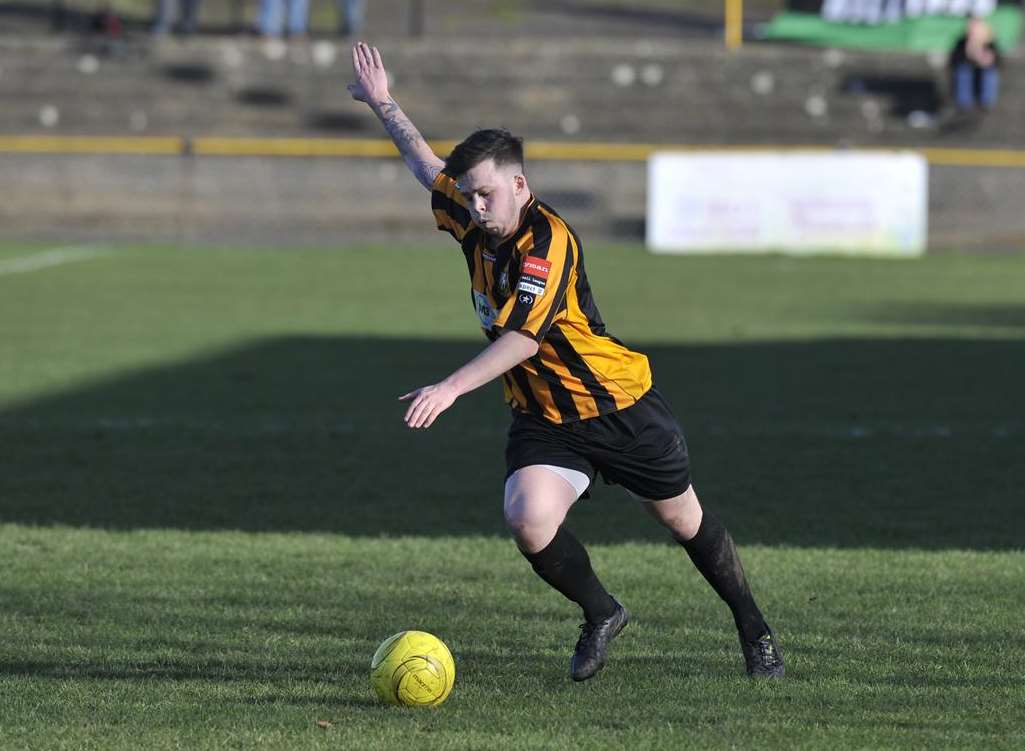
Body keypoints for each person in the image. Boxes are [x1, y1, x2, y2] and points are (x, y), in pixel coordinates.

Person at [347, 42, 785, 681]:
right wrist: (383, 101)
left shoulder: (546, 243)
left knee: (683, 520)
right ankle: (602, 612)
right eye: (469, 196)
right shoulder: (474, 218)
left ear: (520, 185)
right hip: (544, 415)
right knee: (528, 520)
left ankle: (755, 629)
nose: (474, 206)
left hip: (615, 403)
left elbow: (524, 338)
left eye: (487, 195)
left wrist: (449, 388)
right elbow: (427, 166)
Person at [949, 16, 1001, 112]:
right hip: (968, 70)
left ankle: (987, 101)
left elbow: (996, 61)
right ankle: (964, 102)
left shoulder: (990, 44)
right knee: (963, 72)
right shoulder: (961, 42)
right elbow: (956, 60)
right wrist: (970, 52)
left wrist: (984, 59)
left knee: (990, 73)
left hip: (983, 71)